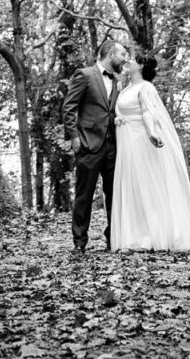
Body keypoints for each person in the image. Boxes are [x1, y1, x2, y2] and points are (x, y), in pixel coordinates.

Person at [111, 50, 190, 252]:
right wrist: (118, 118)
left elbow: (148, 112)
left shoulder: (146, 87)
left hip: (140, 142)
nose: (127, 61)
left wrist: (151, 132)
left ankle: (152, 236)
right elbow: (123, 110)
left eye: (132, 60)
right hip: (126, 143)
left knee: (145, 186)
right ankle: (135, 235)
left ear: (141, 66)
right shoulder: (126, 88)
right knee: (132, 186)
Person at [62, 40, 128, 254]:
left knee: (114, 194)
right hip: (88, 144)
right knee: (84, 195)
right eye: (122, 54)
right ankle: (79, 242)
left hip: (113, 145)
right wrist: (73, 137)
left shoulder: (119, 80)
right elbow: (69, 106)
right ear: (110, 54)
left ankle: (112, 238)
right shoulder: (85, 74)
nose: (124, 59)